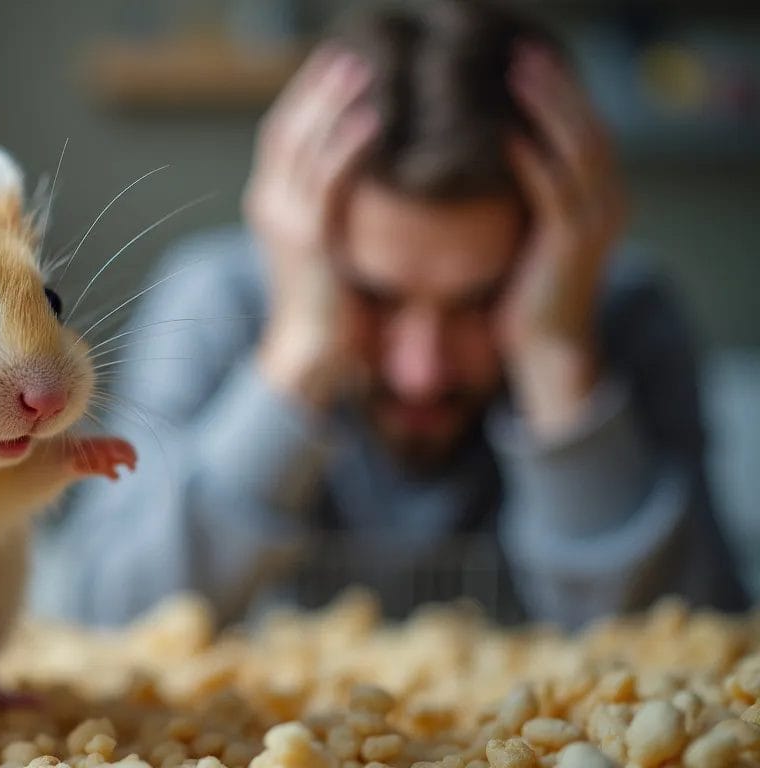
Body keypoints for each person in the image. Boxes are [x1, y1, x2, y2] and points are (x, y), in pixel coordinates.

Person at [40, 0, 751, 629]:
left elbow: (696, 643)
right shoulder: (216, 299)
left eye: (480, 299)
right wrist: (299, 354)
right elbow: (105, 613)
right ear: (304, 241)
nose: (422, 372)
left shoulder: (622, 313)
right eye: (376, 296)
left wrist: (559, 362)